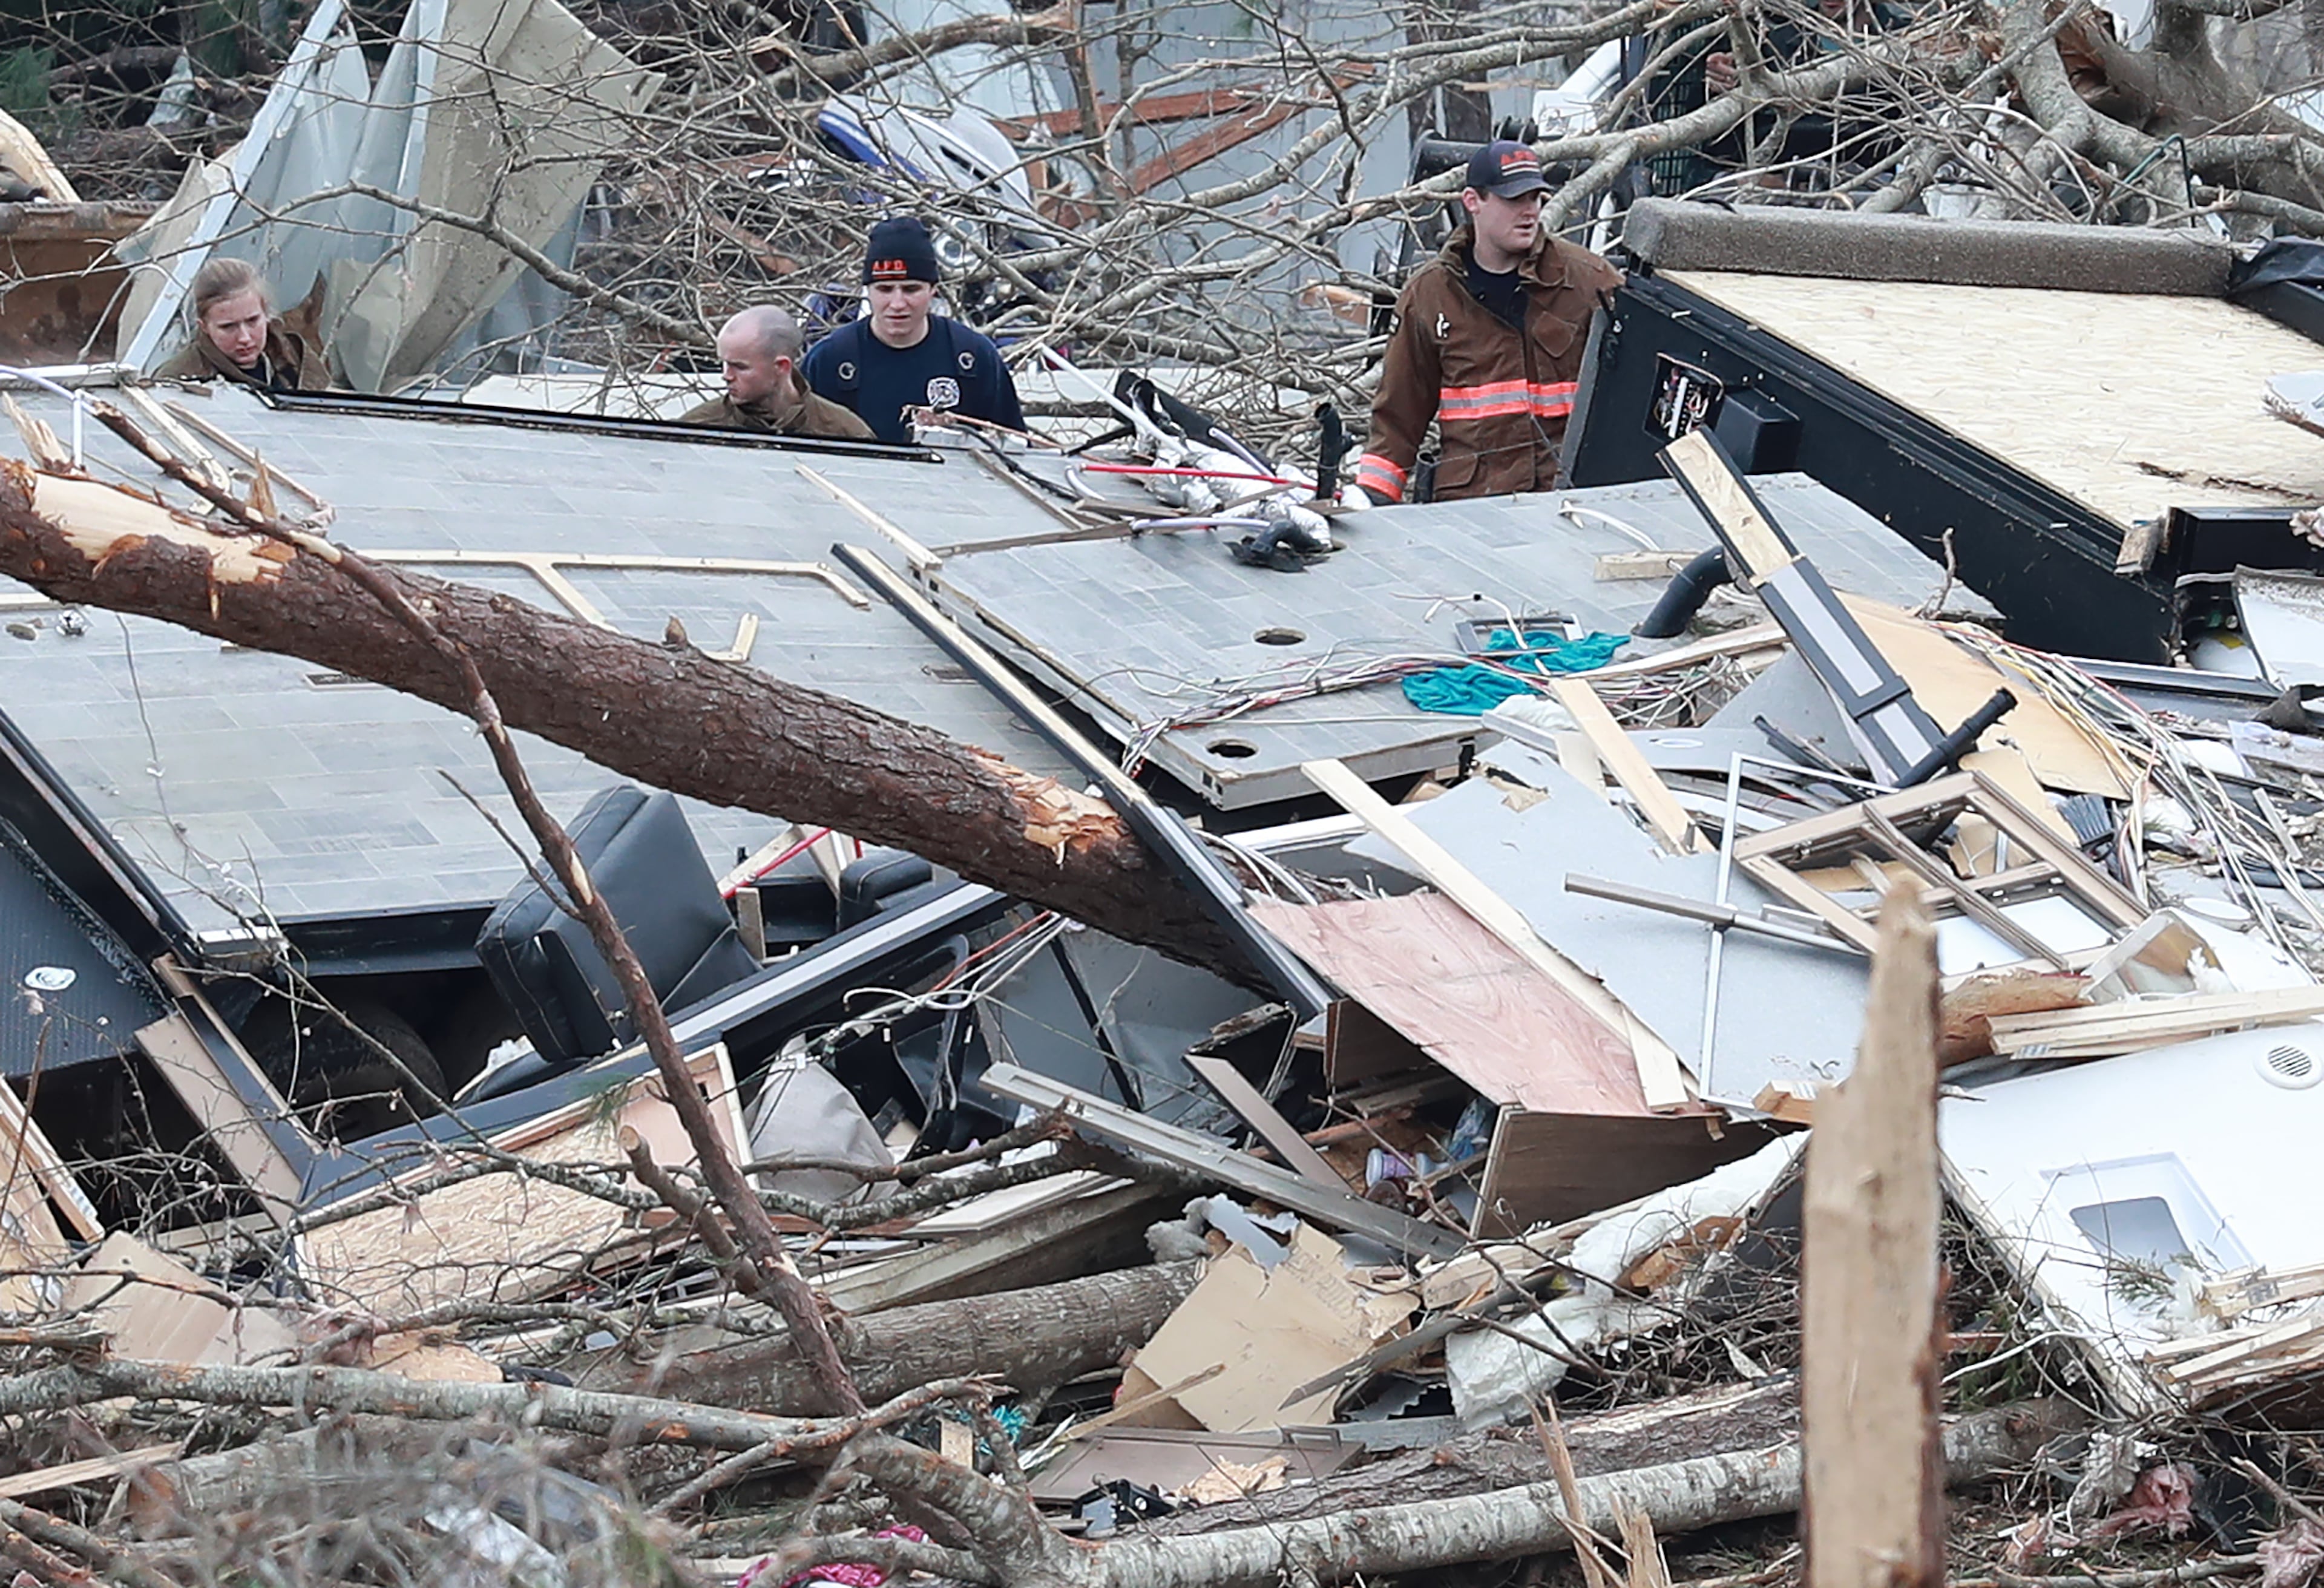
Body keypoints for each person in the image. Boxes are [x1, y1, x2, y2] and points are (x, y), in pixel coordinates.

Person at [1355, 141, 1621, 507]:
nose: (1530, 211)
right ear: (1472, 201)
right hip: (1473, 509)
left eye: (1536, 198)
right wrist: (1371, 504)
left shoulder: (1589, 282)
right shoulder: (1431, 296)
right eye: (1514, 200)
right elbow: (1397, 420)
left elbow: (1636, 388)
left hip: (1572, 503)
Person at [801, 216, 1025, 445]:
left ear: (933, 290)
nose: (897, 303)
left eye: (911, 290)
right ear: (867, 290)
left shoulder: (973, 359)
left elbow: (1014, 447)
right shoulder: (829, 361)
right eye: (885, 289)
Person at [678, 306, 876, 439]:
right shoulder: (696, 430)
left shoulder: (844, 432)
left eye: (740, 367)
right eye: (724, 364)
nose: (726, 376)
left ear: (781, 367)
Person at [155, 257, 331, 392]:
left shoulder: (295, 358)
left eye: (253, 321)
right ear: (204, 327)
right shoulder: (178, 379)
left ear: (265, 314)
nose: (245, 338)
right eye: (228, 327)